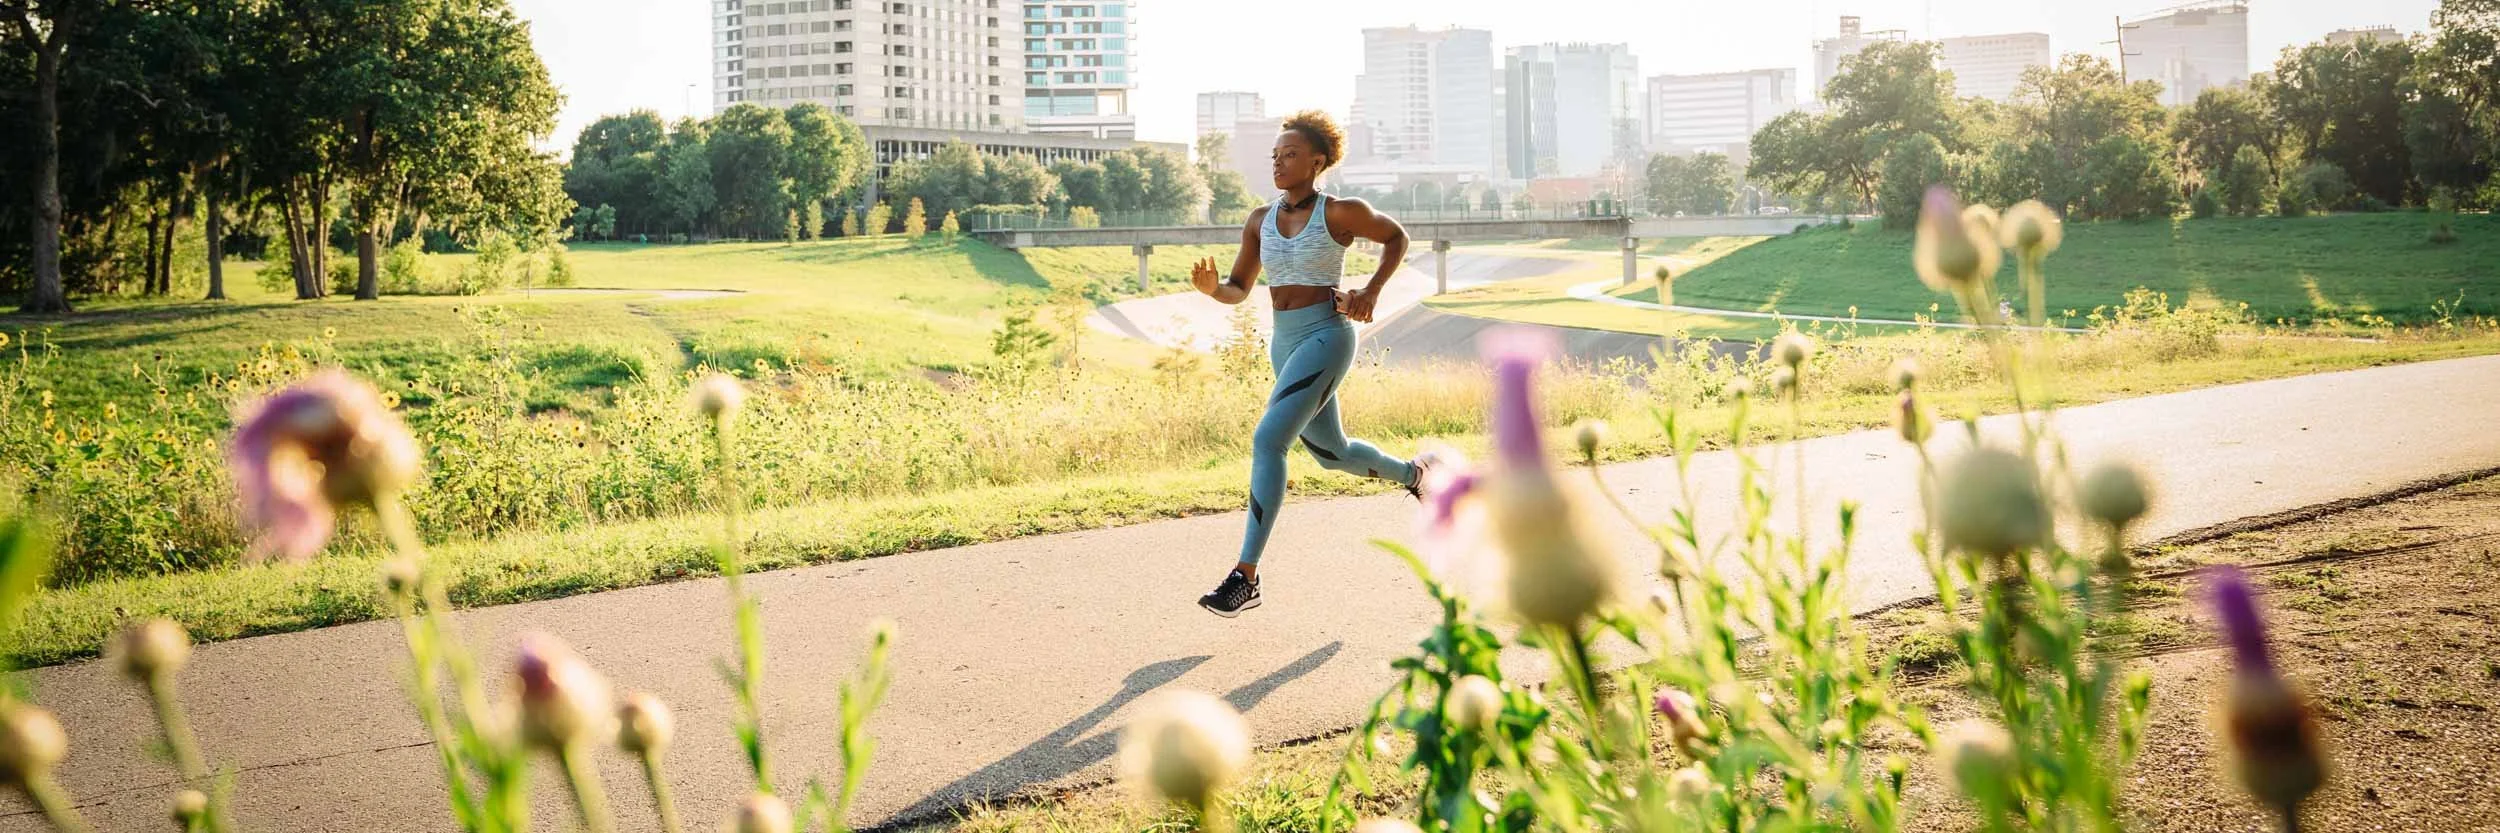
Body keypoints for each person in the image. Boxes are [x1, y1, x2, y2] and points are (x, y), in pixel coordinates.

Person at [1187, 110, 1436, 618]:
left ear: (1317, 161)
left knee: (1268, 440)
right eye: (1275, 156)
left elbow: (1397, 238)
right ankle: (1415, 475)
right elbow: (1239, 288)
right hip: (1285, 342)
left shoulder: (1340, 212)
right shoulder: (1259, 220)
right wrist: (1215, 291)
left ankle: (1245, 576)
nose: (1279, 163)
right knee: (1331, 453)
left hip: (1327, 335)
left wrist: (1370, 290)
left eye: (1290, 154)